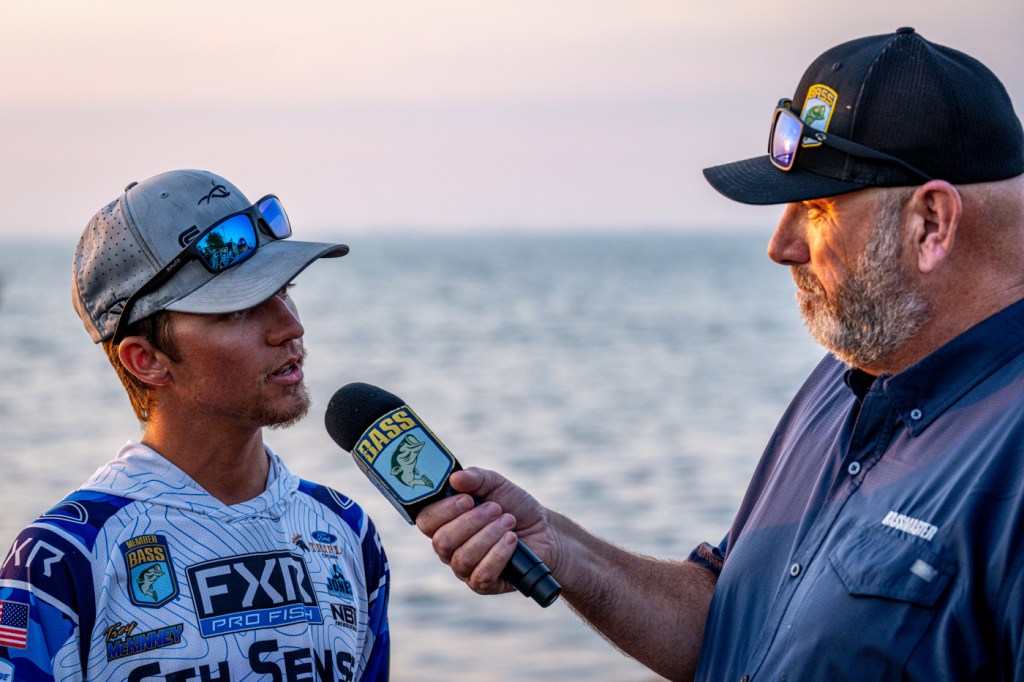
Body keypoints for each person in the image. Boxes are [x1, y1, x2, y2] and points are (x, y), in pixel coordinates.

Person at [413, 28, 1024, 681]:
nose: (781, 245)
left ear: (931, 223)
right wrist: (563, 549)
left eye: (816, 210)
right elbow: (733, 624)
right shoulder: (845, 377)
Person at [0, 170, 390, 680]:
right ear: (146, 360)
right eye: (238, 310)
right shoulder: (62, 559)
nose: (291, 326)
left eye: (284, 289)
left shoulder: (346, 531)